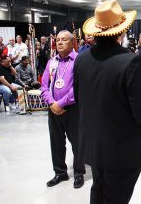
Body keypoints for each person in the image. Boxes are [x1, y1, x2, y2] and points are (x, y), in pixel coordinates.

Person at [77, 0, 141, 204]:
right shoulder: (130, 61)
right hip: (121, 147)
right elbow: (140, 108)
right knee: (115, 197)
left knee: (99, 191)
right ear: (121, 32)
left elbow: (80, 98)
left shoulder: (82, 59)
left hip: (93, 144)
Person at [40, 30, 85, 189]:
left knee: (77, 142)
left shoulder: (79, 60)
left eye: (63, 40)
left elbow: (79, 87)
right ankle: (60, 172)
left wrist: (61, 103)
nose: (59, 42)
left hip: (73, 109)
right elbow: (44, 86)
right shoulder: (52, 62)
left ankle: (79, 172)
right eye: (57, 40)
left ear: (72, 43)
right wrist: (52, 103)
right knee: (56, 142)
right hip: (53, 109)